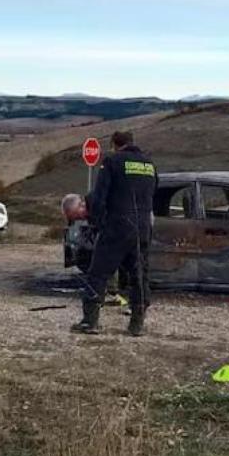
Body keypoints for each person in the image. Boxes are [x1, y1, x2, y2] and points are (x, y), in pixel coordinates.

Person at [71, 131, 157, 336]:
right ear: (132, 143)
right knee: (139, 275)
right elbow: (154, 192)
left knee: (98, 273)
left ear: (114, 144)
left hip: (117, 224)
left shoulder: (112, 162)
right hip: (143, 226)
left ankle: (90, 321)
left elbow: (99, 197)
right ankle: (137, 324)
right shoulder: (149, 164)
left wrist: (99, 223)